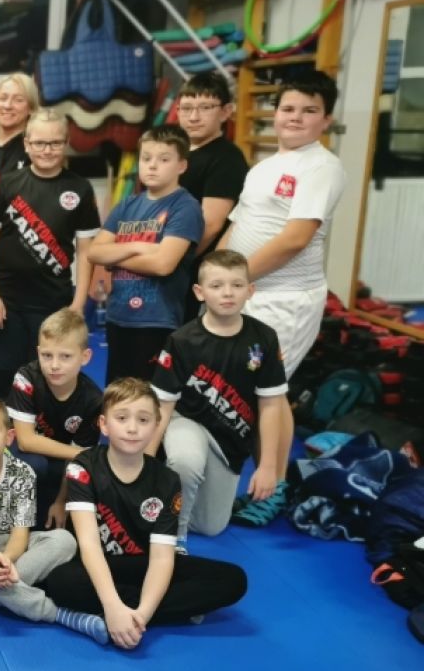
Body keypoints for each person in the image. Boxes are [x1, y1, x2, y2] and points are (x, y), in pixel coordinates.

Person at [40, 379, 248, 649]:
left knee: (234, 579)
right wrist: (112, 605)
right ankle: (162, 609)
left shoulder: (167, 480)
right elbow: (89, 545)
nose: (132, 428)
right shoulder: (84, 466)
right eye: (122, 418)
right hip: (97, 565)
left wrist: (143, 614)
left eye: (143, 419)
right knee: (60, 582)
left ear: (156, 426)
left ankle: (123, 618)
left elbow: (162, 558)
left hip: (143, 564)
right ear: (104, 424)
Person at [222, 71, 346, 510]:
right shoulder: (264, 167)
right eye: (288, 108)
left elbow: (295, 239)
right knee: (249, 390)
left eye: (309, 111)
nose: (295, 117)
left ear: (325, 120)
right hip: (248, 292)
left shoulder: (321, 167)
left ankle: (270, 490)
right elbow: (236, 227)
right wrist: (213, 272)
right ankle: (265, 482)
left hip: (286, 300)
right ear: (274, 114)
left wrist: (232, 281)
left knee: (269, 393)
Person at [0, 395, 108, 644]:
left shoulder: (22, 473)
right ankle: (58, 614)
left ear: (9, 437)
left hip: (14, 549)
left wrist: (6, 561)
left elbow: (20, 533)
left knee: (64, 540)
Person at [150, 250, 288, 546]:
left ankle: (173, 498)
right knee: (186, 461)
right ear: (200, 292)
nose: (228, 293)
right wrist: (145, 460)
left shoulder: (264, 339)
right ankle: (173, 538)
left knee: (211, 526)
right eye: (217, 285)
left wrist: (268, 467)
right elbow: (163, 406)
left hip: (229, 441)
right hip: (186, 421)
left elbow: (271, 406)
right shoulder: (182, 340)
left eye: (237, 285)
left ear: (250, 290)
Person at [0, 108, 99, 398]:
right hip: (6, 302)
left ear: (66, 143)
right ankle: (6, 424)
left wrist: (78, 303)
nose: (47, 150)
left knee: (50, 375)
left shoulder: (80, 189)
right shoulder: (7, 184)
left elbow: (86, 251)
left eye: (55, 143)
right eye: (40, 143)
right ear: (27, 144)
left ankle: (44, 424)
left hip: (54, 302)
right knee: (4, 376)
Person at [87, 125, 203, 383]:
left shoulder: (185, 207)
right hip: (118, 316)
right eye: (146, 158)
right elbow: (94, 252)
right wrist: (137, 246)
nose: (152, 165)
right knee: (117, 392)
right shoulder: (127, 204)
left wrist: (115, 255)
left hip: (156, 321)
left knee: (147, 396)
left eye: (163, 159)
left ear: (182, 165)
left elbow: (162, 264)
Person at [7, 308, 103, 529]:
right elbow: (26, 441)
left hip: (61, 463)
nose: (54, 365)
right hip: (23, 455)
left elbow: (78, 462)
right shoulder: (26, 377)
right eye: (47, 355)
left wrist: (61, 501)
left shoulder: (93, 400)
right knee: (34, 464)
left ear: (85, 357)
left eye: (65, 356)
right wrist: (80, 453)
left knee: (90, 473)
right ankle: (14, 518)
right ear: (38, 352)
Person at [176, 71, 250, 322]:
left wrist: (171, 260)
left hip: (191, 270)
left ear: (226, 111)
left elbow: (211, 224)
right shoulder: (175, 153)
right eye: (187, 108)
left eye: (205, 107)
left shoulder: (226, 158)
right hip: (165, 261)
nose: (193, 116)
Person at [0, 72, 37, 182]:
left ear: (31, 108)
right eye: (3, 98)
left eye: (18, 100)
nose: (8, 106)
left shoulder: (36, 150)